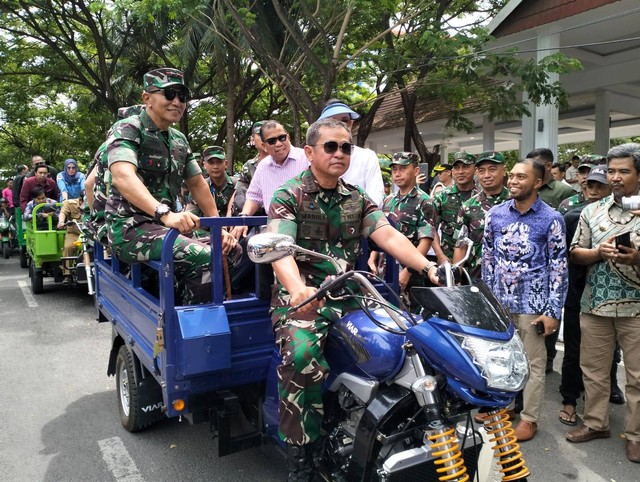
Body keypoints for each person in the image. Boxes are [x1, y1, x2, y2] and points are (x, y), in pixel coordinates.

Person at [266, 118, 440, 480]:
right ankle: (302, 457)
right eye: (331, 146)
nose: (340, 153)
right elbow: (279, 249)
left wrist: (429, 266)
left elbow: (387, 234)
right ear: (310, 152)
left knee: (410, 335)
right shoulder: (288, 195)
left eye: (346, 147)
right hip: (303, 299)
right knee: (301, 358)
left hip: (348, 292)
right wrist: (298, 290)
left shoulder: (357, 197)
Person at [104, 67, 236, 305]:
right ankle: (194, 331)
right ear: (147, 98)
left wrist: (219, 227)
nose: (177, 102)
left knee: (234, 250)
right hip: (130, 228)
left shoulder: (178, 140)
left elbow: (196, 183)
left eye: (182, 97)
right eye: (169, 94)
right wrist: (164, 213)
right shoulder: (128, 129)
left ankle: (202, 305)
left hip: (166, 227)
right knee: (204, 256)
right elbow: (122, 176)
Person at [482, 158, 568, 442]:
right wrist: (488, 298)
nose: (514, 181)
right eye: (513, 176)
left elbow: (558, 266)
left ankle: (529, 418)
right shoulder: (496, 214)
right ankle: (504, 407)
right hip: (501, 303)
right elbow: (488, 258)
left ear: (537, 183)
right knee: (503, 360)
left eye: (521, 177)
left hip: (534, 305)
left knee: (533, 364)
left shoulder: (551, 218)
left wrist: (553, 311)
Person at [565, 143, 640, 464]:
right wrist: (598, 253)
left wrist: (637, 258)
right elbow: (575, 252)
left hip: (636, 308)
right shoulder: (591, 211)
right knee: (593, 371)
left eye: (624, 171)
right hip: (594, 305)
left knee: (637, 376)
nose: (616, 177)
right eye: (611, 171)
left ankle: (636, 435)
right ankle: (596, 423)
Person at [558, 165, 619, 427]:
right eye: (589, 186)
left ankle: (607, 393)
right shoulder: (572, 216)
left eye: (600, 186)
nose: (593, 191)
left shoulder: (626, 216)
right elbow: (566, 258)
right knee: (573, 351)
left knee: (610, 352)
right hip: (578, 294)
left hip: (614, 297)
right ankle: (569, 400)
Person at [369, 151, 436, 309]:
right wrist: (372, 258)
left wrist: (408, 271)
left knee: (408, 319)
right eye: (394, 170)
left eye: (403, 169)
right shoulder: (388, 200)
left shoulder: (424, 202)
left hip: (411, 277)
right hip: (384, 273)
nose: (397, 174)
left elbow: (425, 241)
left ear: (416, 171)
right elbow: (380, 232)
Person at [232, 120, 308, 239]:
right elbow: (254, 197)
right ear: (264, 146)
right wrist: (243, 218)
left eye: (282, 138)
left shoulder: (306, 158)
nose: (278, 144)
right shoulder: (263, 166)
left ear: (288, 137)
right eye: (272, 141)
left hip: (306, 224)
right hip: (273, 227)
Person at [453, 151, 510, 280]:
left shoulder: (516, 202)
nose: (486, 175)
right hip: (477, 278)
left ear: (504, 170)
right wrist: (456, 281)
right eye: (481, 171)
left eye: (492, 170)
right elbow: (461, 246)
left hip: (510, 279)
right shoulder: (468, 207)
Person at [317, 99, 385, 206]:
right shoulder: (314, 157)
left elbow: (376, 196)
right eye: (332, 121)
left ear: (351, 123)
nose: (340, 126)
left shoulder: (367, 156)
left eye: (345, 120)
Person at [429, 151, 478, 260]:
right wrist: (440, 255)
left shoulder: (482, 196)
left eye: (465, 167)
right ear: (452, 171)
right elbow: (430, 227)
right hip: (449, 261)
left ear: (475, 169)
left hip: (477, 263)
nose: (460, 172)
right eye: (456, 168)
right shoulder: (442, 197)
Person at [232, 121, 269, 216]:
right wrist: (230, 220)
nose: (264, 139)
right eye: (260, 135)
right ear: (252, 139)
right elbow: (238, 191)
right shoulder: (249, 166)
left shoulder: (284, 161)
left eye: (267, 135)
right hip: (253, 214)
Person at [201, 146, 235, 217]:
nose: (215, 166)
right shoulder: (200, 187)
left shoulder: (237, 185)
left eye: (219, 162)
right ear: (204, 165)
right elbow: (192, 214)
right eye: (211, 163)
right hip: (208, 226)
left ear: (226, 164)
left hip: (234, 226)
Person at [57, 197, 84, 276]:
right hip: (74, 234)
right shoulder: (70, 203)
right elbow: (63, 213)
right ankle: (67, 274)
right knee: (68, 247)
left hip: (90, 234)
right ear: (80, 199)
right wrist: (61, 222)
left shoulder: (94, 202)